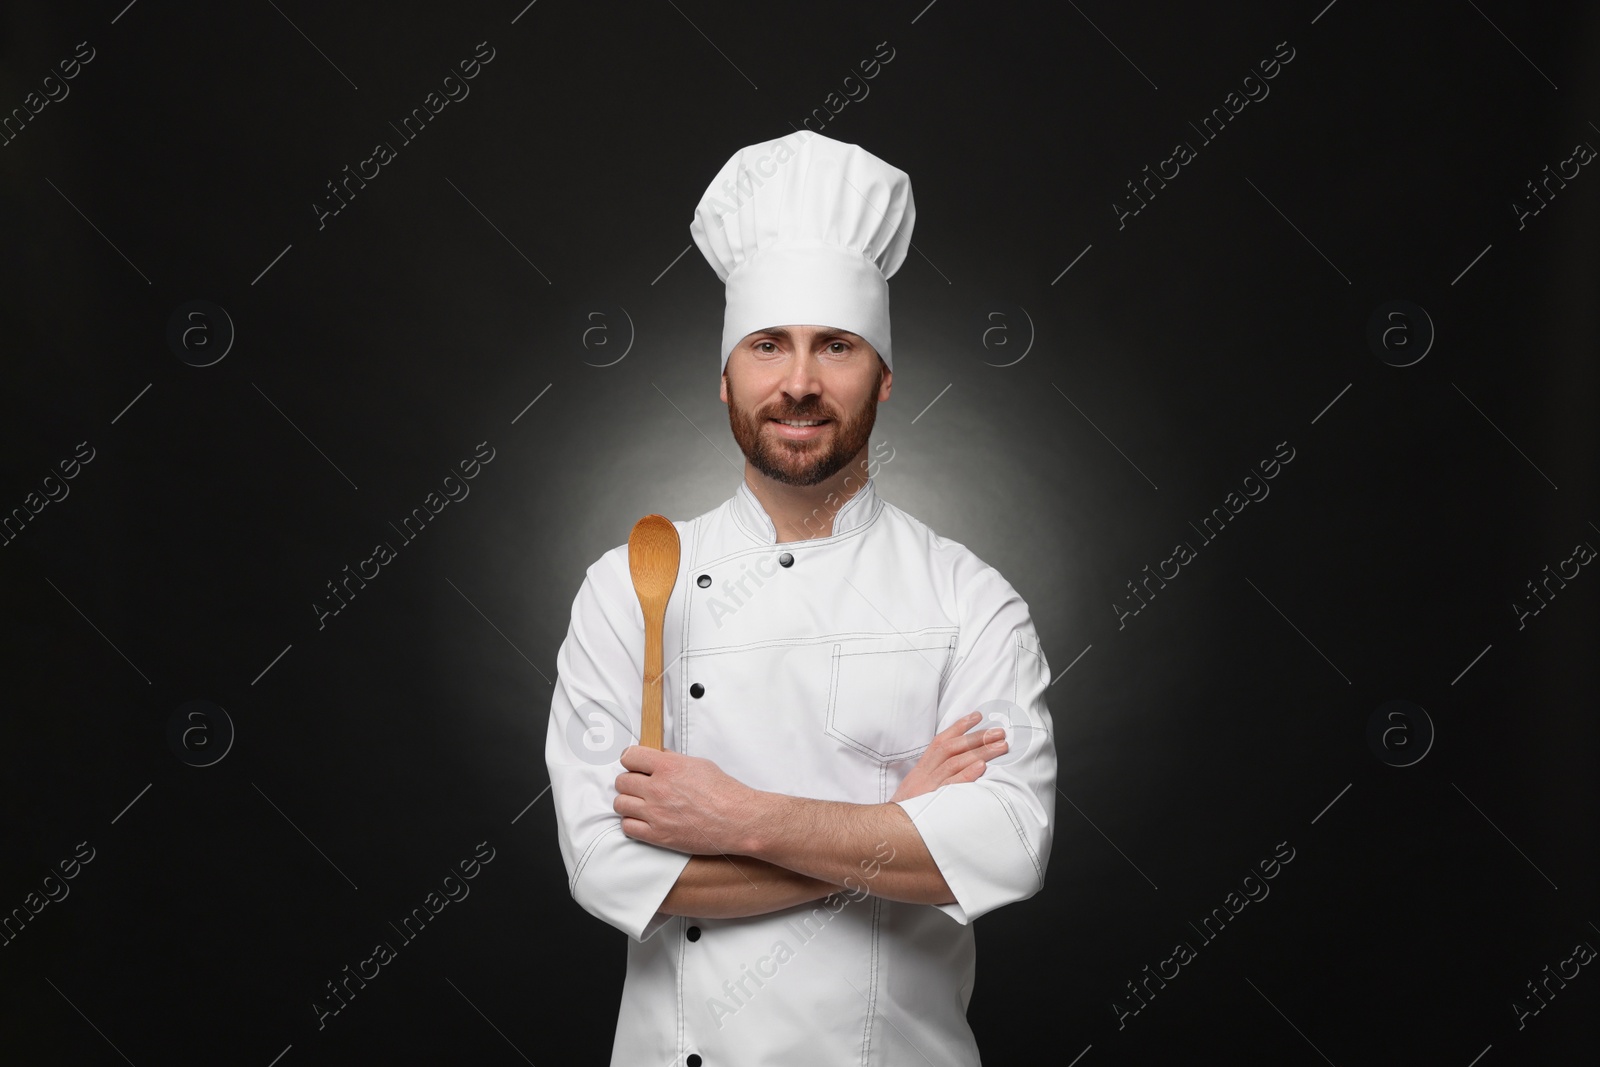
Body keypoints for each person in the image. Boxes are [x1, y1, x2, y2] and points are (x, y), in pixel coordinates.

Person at [545, 131, 1057, 1066]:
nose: (800, 383)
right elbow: (608, 867)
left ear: (886, 377)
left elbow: (1008, 844)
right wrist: (892, 830)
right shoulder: (630, 586)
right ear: (726, 378)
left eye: (838, 345)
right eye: (768, 345)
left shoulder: (969, 598)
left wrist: (739, 817)